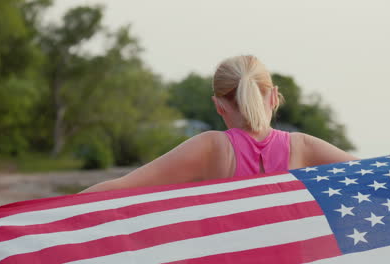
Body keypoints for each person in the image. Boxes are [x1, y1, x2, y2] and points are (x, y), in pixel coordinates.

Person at [80, 55, 357, 193]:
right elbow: (373, 177)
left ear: (218, 105)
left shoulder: (212, 147)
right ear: (273, 96)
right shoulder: (303, 147)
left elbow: (122, 188)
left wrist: (42, 215)